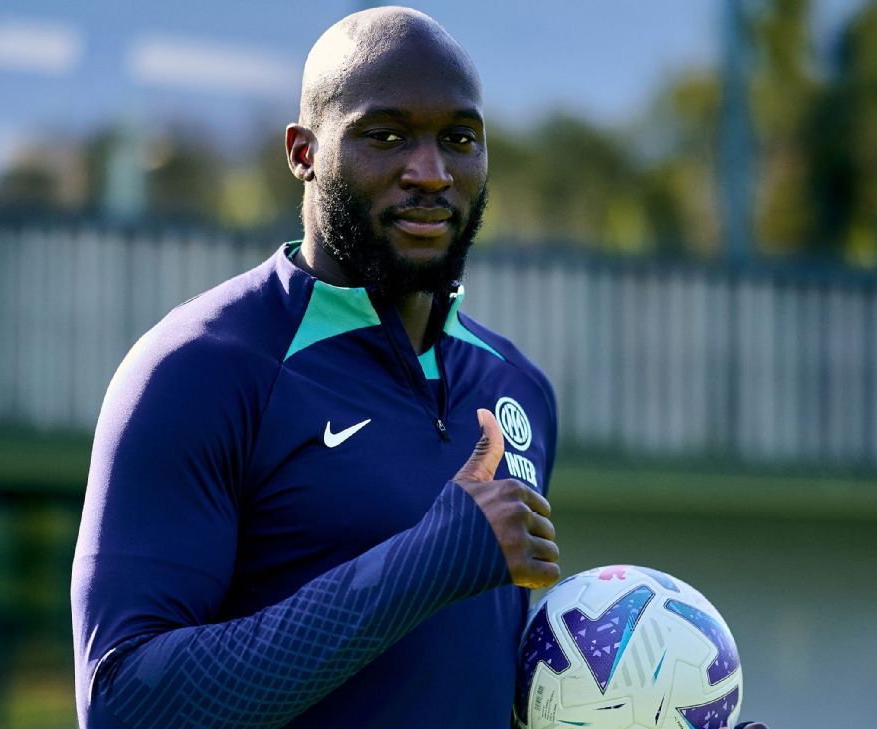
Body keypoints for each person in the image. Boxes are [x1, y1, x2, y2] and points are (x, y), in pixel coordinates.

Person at [72, 7, 767, 729]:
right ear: (303, 152)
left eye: (459, 139)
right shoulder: (201, 369)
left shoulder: (516, 387)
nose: (431, 173)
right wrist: (428, 560)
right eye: (387, 136)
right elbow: (123, 704)